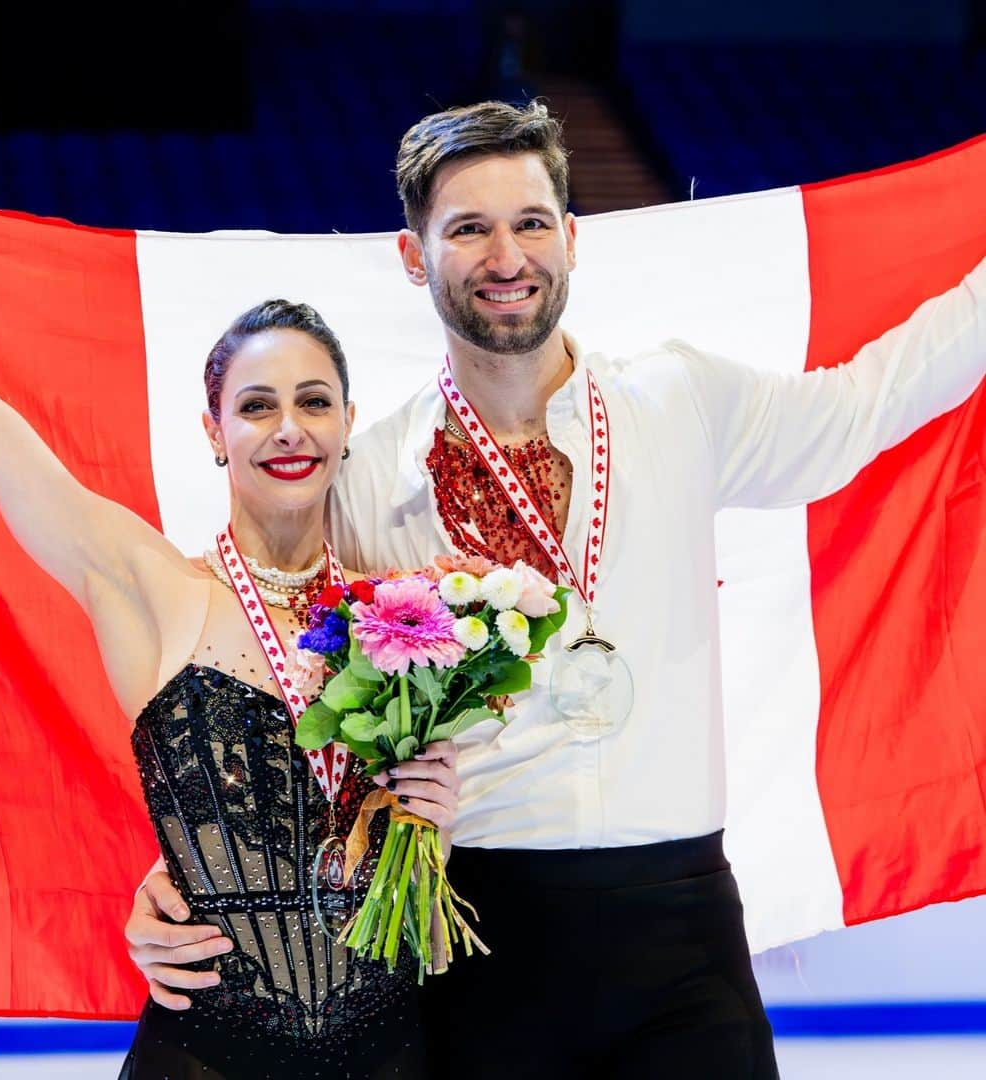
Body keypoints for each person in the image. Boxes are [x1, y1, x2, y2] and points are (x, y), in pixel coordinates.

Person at [126, 101, 986, 1078]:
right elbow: (271, 675)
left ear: (571, 239)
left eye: (531, 222)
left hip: (681, 940)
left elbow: (867, 404)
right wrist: (194, 868)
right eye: (469, 228)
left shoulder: (679, 401)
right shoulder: (364, 477)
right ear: (415, 257)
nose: (506, 255)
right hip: (469, 942)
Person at [0, 295, 463, 1079]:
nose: (289, 428)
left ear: (347, 423)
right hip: (204, 1055)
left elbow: (429, 885)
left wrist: (442, 814)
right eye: (255, 406)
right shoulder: (156, 590)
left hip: (392, 1053)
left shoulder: (407, 622)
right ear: (214, 431)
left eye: (313, 402)